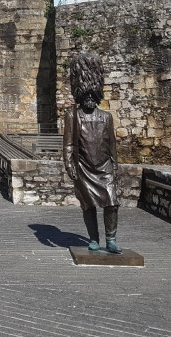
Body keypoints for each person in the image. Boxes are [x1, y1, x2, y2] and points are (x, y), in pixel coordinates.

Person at [63, 52, 122, 254]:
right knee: (88, 206)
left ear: (96, 96)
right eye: (85, 95)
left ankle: (111, 239)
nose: (89, 99)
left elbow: (112, 144)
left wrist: (115, 166)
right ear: (81, 94)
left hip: (104, 167)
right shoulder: (72, 115)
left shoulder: (106, 117)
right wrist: (70, 166)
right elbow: (68, 145)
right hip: (83, 167)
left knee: (112, 202)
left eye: (92, 95)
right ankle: (94, 239)